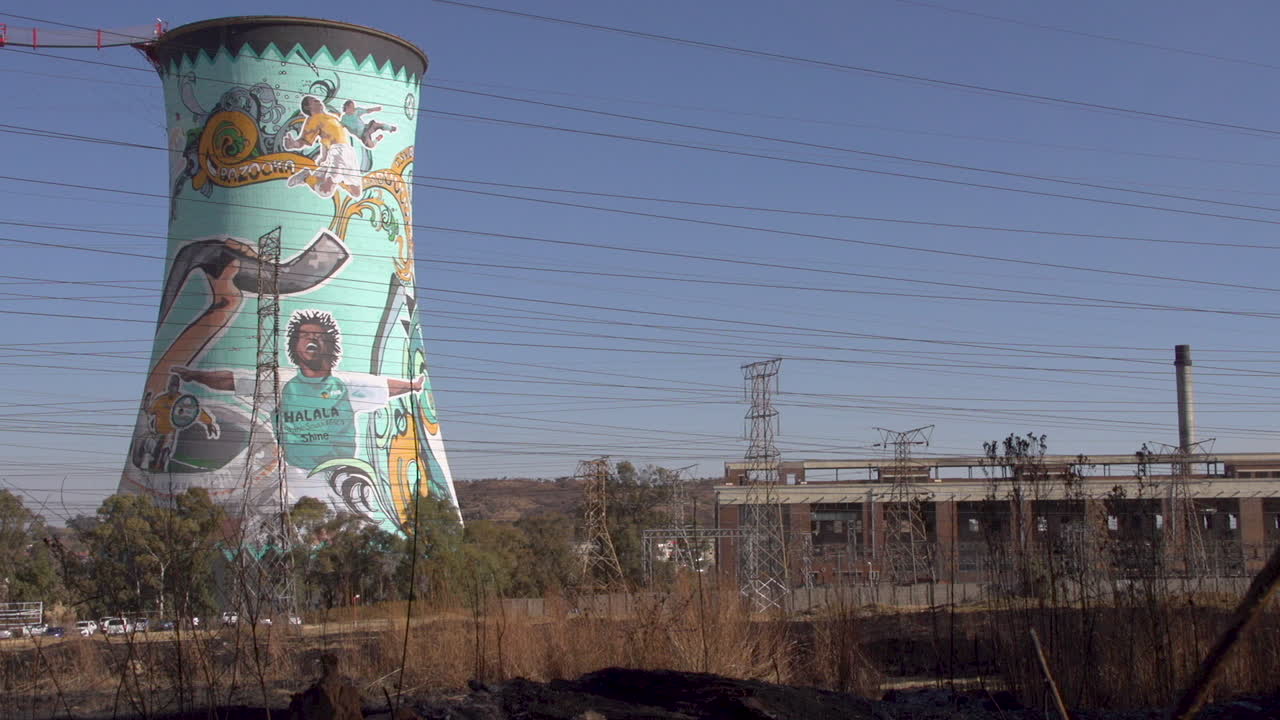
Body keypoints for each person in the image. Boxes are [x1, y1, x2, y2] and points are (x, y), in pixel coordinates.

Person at [172, 309, 421, 506]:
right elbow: (232, 380)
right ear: (295, 346)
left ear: (330, 346)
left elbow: (385, 386)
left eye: (319, 336)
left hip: (344, 476)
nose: (312, 340)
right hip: (297, 479)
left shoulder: (345, 385)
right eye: (304, 335)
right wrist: (195, 376)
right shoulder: (280, 384)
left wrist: (415, 385)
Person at [283, 96, 362, 198]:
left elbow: (326, 138)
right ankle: (306, 177)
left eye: (318, 100)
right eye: (314, 101)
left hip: (349, 152)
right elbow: (305, 140)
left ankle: (336, 179)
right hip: (337, 152)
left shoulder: (334, 117)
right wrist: (294, 144)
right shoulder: (313, 119)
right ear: (308, 107)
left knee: (356, 192)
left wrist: (324, 156)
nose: (318, 101)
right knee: (326, 191)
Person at [138, 374, 220, 471]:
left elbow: (196, 412)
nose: (172, 388)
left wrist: (209, 423)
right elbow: (150, 411)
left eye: (175, 386)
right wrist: (146, 403)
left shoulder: (182, 401)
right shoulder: (160, 400)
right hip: (158, 432)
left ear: (177, 387)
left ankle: (162, 461)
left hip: (170, 433)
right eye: (171, 386)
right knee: (152, 446)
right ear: (168, 386)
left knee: (167, 445)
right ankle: (150, 461)